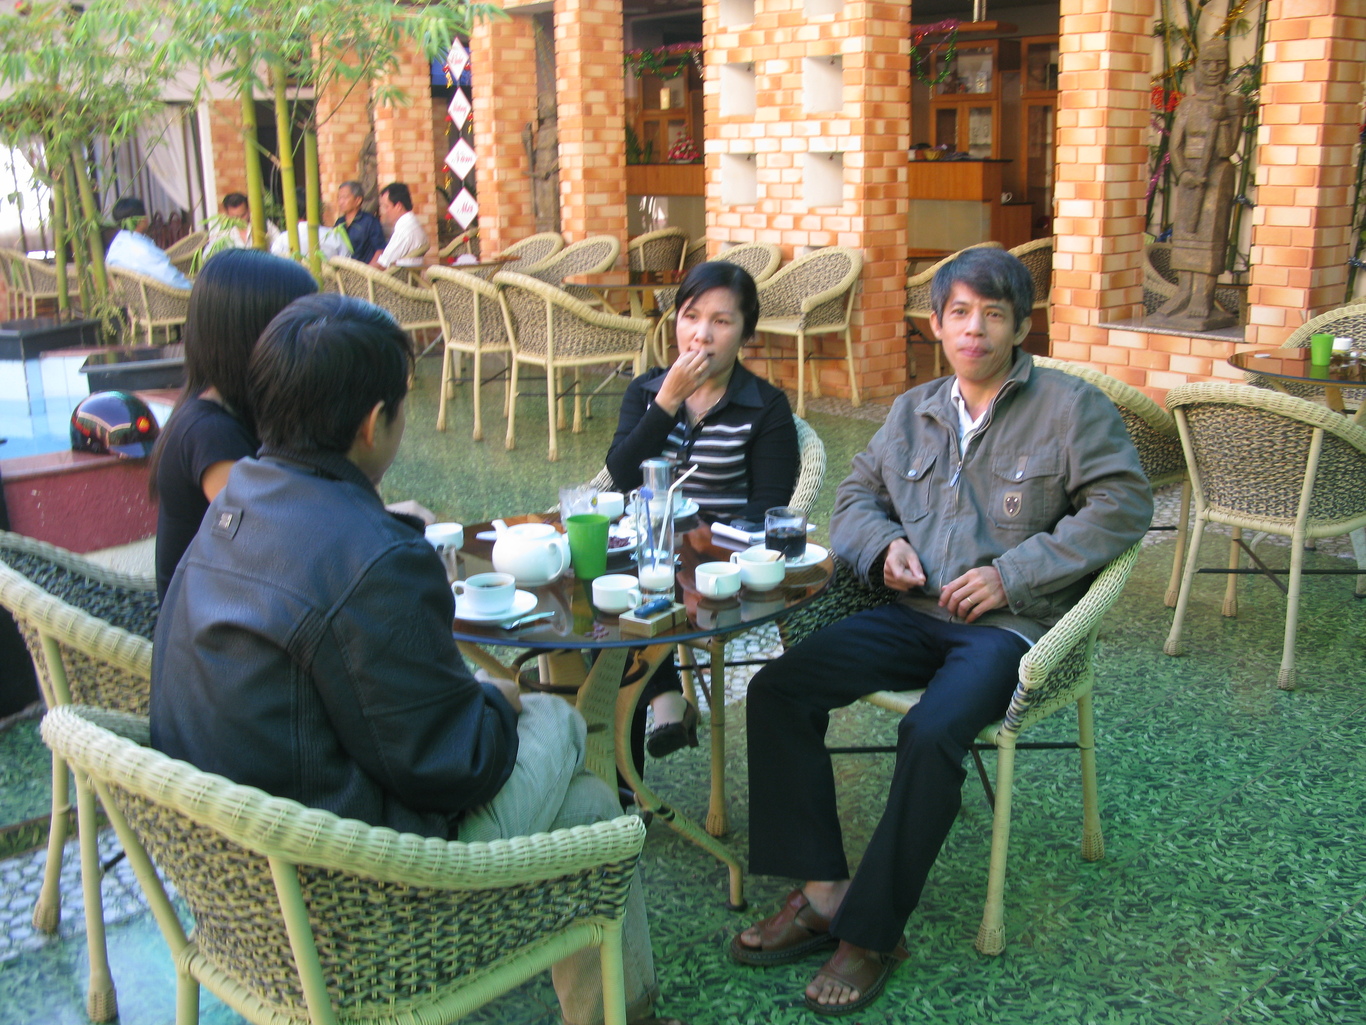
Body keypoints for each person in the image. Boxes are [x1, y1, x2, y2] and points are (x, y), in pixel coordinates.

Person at [150, 294, 683, 1025]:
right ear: (374, 423)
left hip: (236, 883)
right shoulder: (375, 558)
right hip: (357, 894)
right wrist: (498, 700)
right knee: (558, 723)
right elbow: (457, 766)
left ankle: (629, 1012)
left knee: (591, 812)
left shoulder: (229, 506)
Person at [731, 247, 1153, 1015]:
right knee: (779, 688)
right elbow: (856, 495)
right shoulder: (913, 410)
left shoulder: (1070, 407)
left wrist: (1012, 574)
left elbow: (1124, 506)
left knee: (930, 731)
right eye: (960, 312)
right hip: (911, 614)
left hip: (1008, 630)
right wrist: (881, 546)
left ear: (1021, 326)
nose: (975, 329)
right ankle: (824, 892)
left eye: (994, 314)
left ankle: (873, 931)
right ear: (936, 323)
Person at [606, 261, 798, 761]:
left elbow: (767, 507)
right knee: (610, 596)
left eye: (721, 321)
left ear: (746, 333)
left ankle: (654, 718)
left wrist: (704, 538)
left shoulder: (765, 407)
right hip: (646, 554)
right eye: (691, 317)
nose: (701, 335)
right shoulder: (646, 391)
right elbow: (622, 474)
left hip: (716, 564)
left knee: (631, 607)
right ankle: (655, 714)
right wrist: (667, 402)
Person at [146, 248, 318, 601]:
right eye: (304, 330)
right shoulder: (210, 433)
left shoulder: (238, 413)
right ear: (257, 336)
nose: (315, 345)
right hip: (209, 628)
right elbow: (277, 542)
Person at [1151, 37, 1246, 329]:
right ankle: (1184, 292)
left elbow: (1227, 148)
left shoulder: (1232, 103)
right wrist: (1183, 174)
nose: (1214, 69)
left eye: (1220, 63)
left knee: (1209, 232)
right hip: (1190, 175)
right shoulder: (1188, 104)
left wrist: (1223, 119)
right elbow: (1175, 145)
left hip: (1217, 174)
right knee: (1186, 231)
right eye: (1207, 63)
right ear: (1198, 67)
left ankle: (1202, 296)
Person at [105, 196, 192, 290]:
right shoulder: (142, 249)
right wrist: (193, 289)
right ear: (141, 219)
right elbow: (172, 279)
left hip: (134, 296)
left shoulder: (116, 245)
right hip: (162, 296)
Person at [271, 189, 352, 261]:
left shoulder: (283, 239)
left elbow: (276, 264)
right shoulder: (335, 236)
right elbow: (347, 263)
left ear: (290, 211)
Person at [370, 181, 428, 270]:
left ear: (398, 206)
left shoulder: (405, 230)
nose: (385, 212)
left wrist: (359, 274)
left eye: (387, 207)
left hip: (393, 278)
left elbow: (383, 264)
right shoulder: (412, 223)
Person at [206, 192, 282, 252]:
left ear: (248, 210)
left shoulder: (262, 224)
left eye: (242, 215)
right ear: (227, 214)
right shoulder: (221, 232)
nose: (239, 220)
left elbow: (280, 244)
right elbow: (208, 255)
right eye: (235, 218)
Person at [334, 179, 386, 264]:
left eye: (345, 198)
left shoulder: (370, 221)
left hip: (363, 269)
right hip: (342, 269)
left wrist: (369, 270)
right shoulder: (339, 222)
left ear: (358, 200)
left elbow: (380, 250)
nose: (340, 202)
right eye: (339, 198)